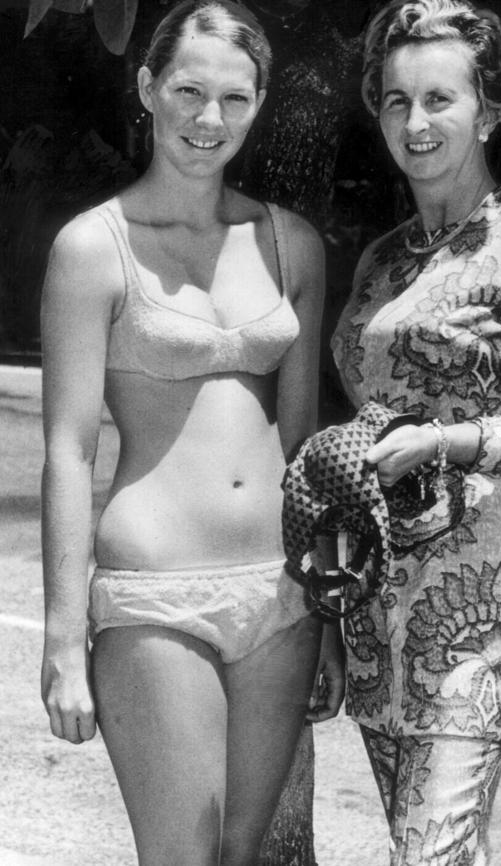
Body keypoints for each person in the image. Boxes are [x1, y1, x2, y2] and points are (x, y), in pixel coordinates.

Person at [39, 2, 344, 863]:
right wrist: (65, 639)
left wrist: (323, 615)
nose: (209, 120)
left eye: (235, 99)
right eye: (188, 90)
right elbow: (68, 449)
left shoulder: (292, 245)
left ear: (258, 104)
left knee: (243, 859)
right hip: (155, 595)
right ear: (147, 88)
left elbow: (303, 451)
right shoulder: (93, 248)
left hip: (278, 596)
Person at [330, 1, 501, 863]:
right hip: (381, 610)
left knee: (431, 856)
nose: (416, 122)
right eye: (397, 101)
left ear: (489, 108)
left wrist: (448, 442)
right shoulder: (381, 261)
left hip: (482, 615)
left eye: (440, 99)